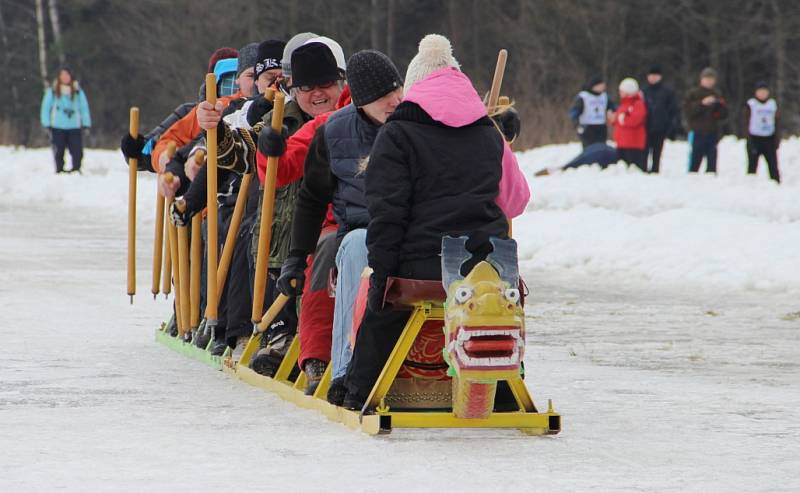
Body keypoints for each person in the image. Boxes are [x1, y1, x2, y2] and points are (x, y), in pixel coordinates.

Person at [341, 34, 530, 411]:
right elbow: (515, 201)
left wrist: (382, 277)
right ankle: (506, 392)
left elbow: (388, 216)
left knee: (382, 309)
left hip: (423, 267)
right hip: (488, 268)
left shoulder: (397, 135)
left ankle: (357, 391)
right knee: (498, 304)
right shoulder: (489, 134)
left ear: (413, 91)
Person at [274, 49, 404, 397]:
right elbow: (309, 195)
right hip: (355, 232)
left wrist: (498, 130)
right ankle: (334, 366)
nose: (393, 101)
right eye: (381, 97)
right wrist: (294, 257)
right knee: (339, 250)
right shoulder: (331, 131)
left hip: (409, 232)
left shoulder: (415, 122)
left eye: (396, 91)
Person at [40, 68, 91, 173]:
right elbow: (45, 108)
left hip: (74, 126)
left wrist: (86, 123)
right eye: (62, 75)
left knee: (77, 151)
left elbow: (84, 108)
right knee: (58, 150)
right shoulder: (53, 91)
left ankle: (76, 169)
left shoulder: (77, 92)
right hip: (57, 126)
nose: (64, 77)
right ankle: (59, 170)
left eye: (67, 74)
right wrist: (46, 123)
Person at [683, 67, 728, 174]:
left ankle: (711, 182)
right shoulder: (693, 93)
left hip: (712, 132)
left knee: (712, 163)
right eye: (707, 79)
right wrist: (702, 104)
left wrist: (719, 106)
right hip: (697, 132)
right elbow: (688, 112)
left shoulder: (717, 93)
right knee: (694, 162)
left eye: (711, 79)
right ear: (701, 79)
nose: (709, 81)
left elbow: (723, 115)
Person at [642, 64, 679, 173]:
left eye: (655, 75)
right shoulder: (644, 91)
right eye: (651, 75)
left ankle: (655, 170)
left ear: (660, 77)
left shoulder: (667, 92)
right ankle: (643, 170)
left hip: (660, 127)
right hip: (646, 127)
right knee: (644, 151)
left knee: (657, 152)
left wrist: (671, 125)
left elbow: (673, 109)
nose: (653, 78)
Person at [743, 81, 780, 183]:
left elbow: (777, 122)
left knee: (773, 165)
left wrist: (777, 139)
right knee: (752, 166)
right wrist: (748, 139)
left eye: (764, 91)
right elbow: (745, 121)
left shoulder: (772, 104)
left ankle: (776, 185)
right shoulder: (751, 104)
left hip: (769, 138)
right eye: (760, 91)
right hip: (754, 138)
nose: (762, 93)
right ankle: (750, 185)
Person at [569, 75, 615, 149]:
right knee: (589, 149)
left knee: (601, 148)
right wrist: (576, 124)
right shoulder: (584, 96)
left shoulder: (604, 96)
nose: (603, 87)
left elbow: (614, 108)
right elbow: (574, 112)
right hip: (587, 127)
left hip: (601, 126)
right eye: (601, 85)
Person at [611, 78, 647, 172]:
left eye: (621, 91)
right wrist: (613, 119)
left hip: (633, 143)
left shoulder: (638, 104)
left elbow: (635, 120)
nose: (620, 93)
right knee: (622, 167)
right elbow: (618, 120)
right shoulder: (623, 104)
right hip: (622, 142)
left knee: (634, 169)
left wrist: (622, 119)